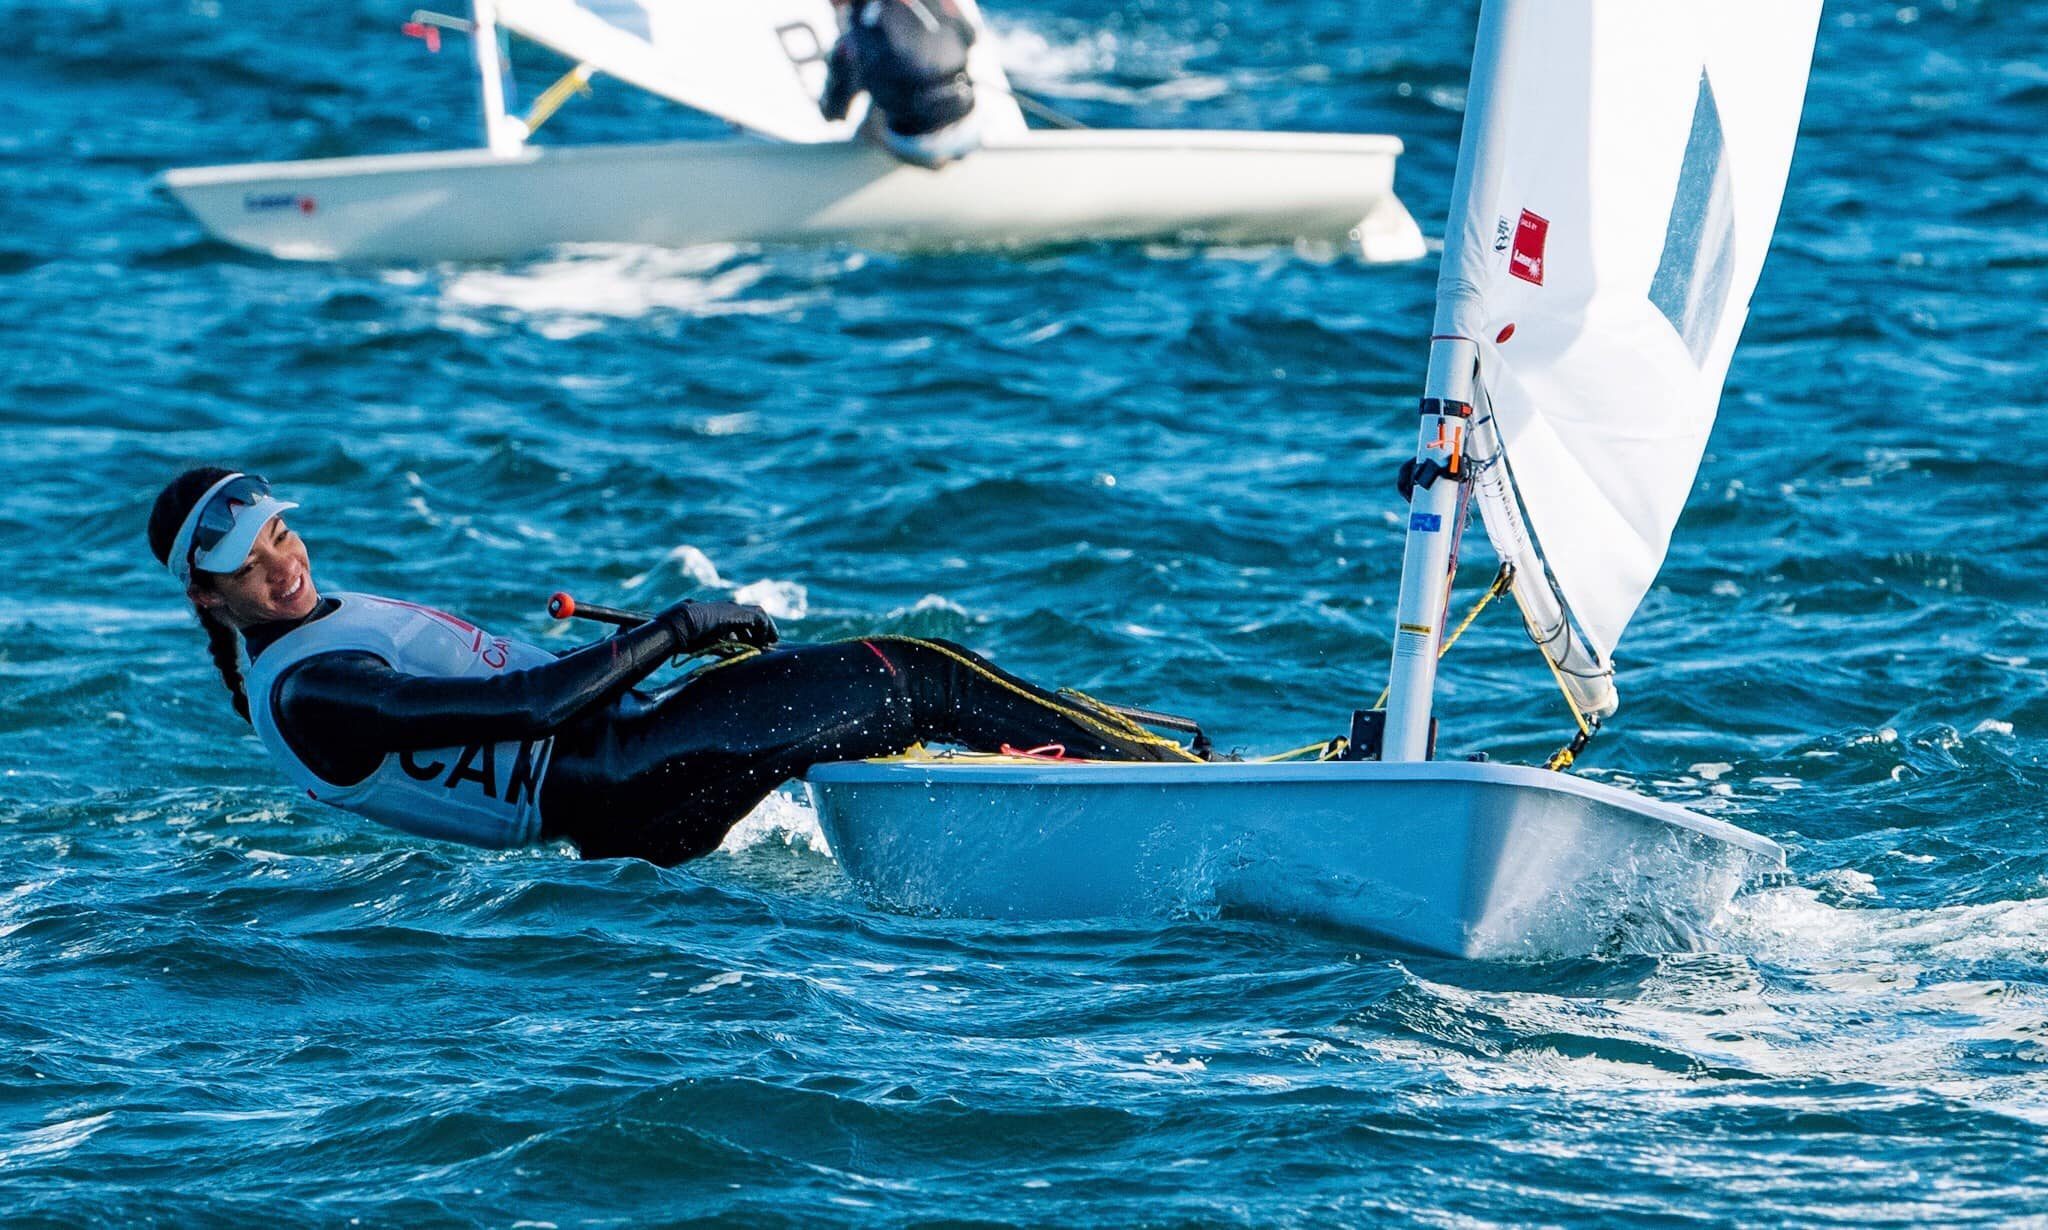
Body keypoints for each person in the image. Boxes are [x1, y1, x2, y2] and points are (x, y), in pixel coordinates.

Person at [147, 468, 1199, 865]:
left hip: (623, 794)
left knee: (888, 721)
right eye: (246, 565)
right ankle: (1180, 783)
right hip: (630, 770)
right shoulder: (312, 687)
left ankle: (1097, 790)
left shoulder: (313, 641)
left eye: (278, 535)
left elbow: (513, 698)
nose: (278, 565)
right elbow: (530, 708)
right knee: (915, 670)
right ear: (209, 596)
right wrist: (677, 629)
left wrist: (644, 656)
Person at [820, 0, 985, 169]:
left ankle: (857, 178)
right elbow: (969, 36)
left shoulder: (854, 35)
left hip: (918, 145)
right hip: (970, 123)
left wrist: (839, 63)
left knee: (874, 118)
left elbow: (834, 111)